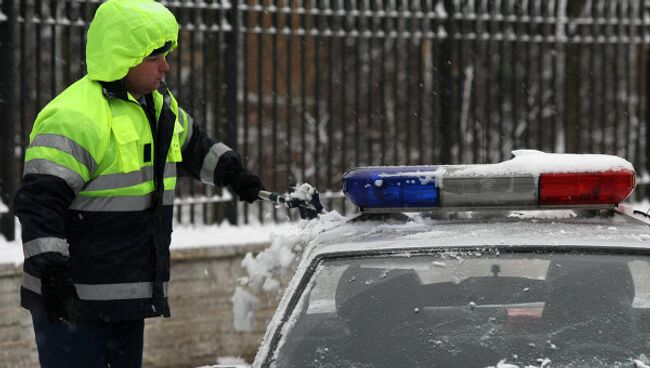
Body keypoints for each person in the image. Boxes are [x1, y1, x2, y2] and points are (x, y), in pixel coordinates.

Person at [13, 0, 265, 367]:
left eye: (166, 53)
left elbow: (194, 145)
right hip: (73, 304)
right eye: (154, 56)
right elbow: (39, 203)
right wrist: (51, 272)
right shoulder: (74, 117)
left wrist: (232, 173)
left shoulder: (158, 105)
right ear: (122, 56)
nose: (166, 65)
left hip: (126, 299)